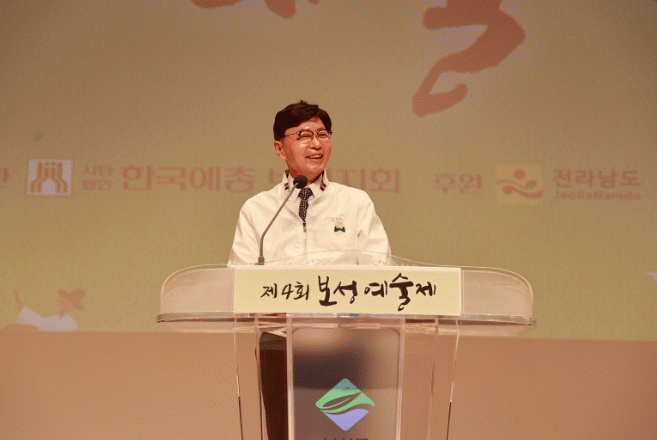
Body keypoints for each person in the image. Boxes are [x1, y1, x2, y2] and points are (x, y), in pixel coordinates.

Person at [228, 100, 391, 266]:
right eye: (305, 136)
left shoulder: (356, 203)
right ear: (280, 149)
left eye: (322, 135)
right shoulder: (256, 209)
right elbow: (239, 273)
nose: (317, 144)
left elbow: (379, 268)